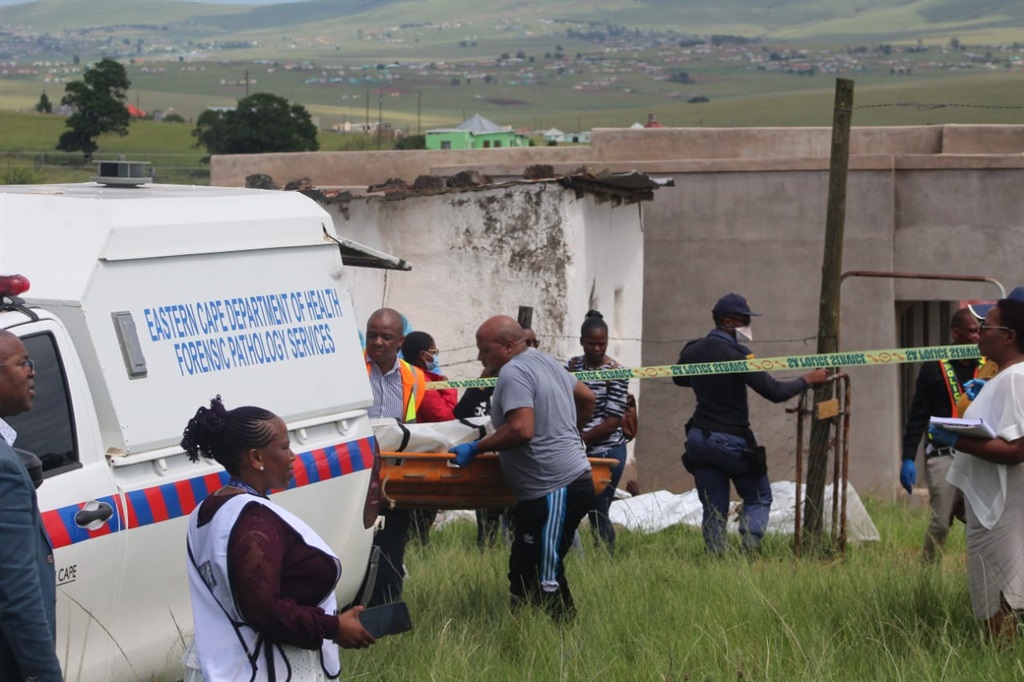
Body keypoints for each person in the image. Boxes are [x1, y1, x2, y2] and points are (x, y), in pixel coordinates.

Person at [181, 397, 374, 681]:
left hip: (226, 662)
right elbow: (264, 610)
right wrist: (333, 628)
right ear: (256, 458)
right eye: (284, 447)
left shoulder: (210, 509)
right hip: (259, 669)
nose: (293, 455)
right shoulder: (253, 521)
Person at [448, 315, 595, 621]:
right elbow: (587, 398)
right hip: (547, 489)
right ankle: (521, 634)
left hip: (556, 488)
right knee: (522, 568)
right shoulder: (547, 362)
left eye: (484, 349)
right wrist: (569, 432)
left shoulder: (513, 372)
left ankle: (565, 643)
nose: (480, 357)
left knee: (545, 570)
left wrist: (477, 447)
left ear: (508, 346)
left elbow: (520, 430)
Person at [674, 293, 828, 554]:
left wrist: (708, 382)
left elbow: (679, 378)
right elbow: (774, 391)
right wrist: (808, 379)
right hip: (730, 440)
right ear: (728, 321)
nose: (747, 324)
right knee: (759, 497)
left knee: (713, 507)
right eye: (744, 319)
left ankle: (715, 560)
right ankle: (749, 551)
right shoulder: (738, 355)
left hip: (699, 440)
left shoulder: (693, 349)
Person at [940, 298, 1024, 642]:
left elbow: (1017, 449)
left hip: (1003, 511)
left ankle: (1002, 665)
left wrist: (954, 439)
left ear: (1009, 336)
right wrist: (963, 492)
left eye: (987, 327)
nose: (980, 334)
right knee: (1000, 591)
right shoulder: (1002, 377)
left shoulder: (1015, 379)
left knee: (1000, 595)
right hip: (992, 504)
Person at [0, 330, 63, 681]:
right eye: (22, 362)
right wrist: (45, 675)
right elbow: (17, 595)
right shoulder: (4, 467)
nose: (32, 371)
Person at [897, 308, 982, 562]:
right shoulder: (934, 367)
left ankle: (981, 575)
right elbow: (917, 416)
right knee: (941, 523)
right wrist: (908, 458)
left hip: (977, 455)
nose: (977, 336)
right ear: (955, 334)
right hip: (943, 455)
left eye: (979, 331)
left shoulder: (987, 366)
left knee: (979, 523)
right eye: (972, 331)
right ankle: (927, 574)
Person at [364, 308, 426, 606]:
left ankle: (384, 609)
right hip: (357, 471)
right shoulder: (351, 370)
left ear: (400, 341)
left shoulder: (414, 377)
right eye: (372, 335)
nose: (377, 342)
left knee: (391, 544)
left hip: (394, 476)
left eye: (386, 337)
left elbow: (411, 424)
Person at [565, 310, 628, 553]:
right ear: (582, 342)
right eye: (592, 344)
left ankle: (605, 557)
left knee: (598, 508)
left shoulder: (616, 372)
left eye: (602, 344)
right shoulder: (570, 367)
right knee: (575, 504)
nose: (597, 349)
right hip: (575, 447)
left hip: (606, 448)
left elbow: (612, 421)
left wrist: (581, 440)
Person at [400, 331, 456, 544]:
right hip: (423, 451)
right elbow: (445, 416)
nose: (436, 356)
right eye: (434, 352)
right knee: (421, 513)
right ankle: (418, 545)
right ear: (424, 355)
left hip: (415, 447)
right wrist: (448, 387)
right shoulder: (421, 380)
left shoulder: (410, 375)